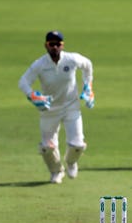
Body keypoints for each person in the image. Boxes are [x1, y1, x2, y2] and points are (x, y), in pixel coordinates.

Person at [18, 30, 95, 184]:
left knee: (78, 145)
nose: (54, 47)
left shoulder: (71, 59)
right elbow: (23, 82)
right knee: (47, 147)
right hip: (49, 110)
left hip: (71, 106)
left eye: (58, 44)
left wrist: (88, 86)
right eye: (51, 44)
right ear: (46, 46)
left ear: (62, 45)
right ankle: (56, 172)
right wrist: (32, 95)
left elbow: (87, 65)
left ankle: (71, 162)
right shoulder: (40, 64)